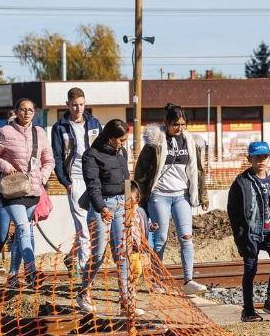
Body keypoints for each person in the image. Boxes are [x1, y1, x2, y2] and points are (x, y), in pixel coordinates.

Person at [134, 103, 209, 295]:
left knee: (187, 237)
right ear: (166, 123)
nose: (180, 128)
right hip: (159, 196)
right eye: (176, 124)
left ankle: (189, 280)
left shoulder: (191, 142)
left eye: (183, 124)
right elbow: (141, 171)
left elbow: (198, 171)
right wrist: (137, 199)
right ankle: (156, 280)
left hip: (181, 195)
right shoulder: (155, 143)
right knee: (161, 239)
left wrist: (202, 195)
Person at [0, 98, 54, 286]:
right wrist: (6, 166)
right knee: (23, 228)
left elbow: (49, 160)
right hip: (12, 191)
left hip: (33, 191)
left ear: (34, 113)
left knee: (21, 234)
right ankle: (31, 271)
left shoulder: (39, 133)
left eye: (30, 110)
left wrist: (43, 177)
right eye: (23, 110)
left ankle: (13, 275)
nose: (27, 113)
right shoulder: (5, 132)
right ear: (16, 111)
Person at [77, 119, 143, 316]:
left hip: (122, 205)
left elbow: (126, 179)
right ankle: (83, 292)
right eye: (121, 140)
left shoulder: (121, 153)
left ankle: (126, 303)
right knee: (97, 253)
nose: (124, 143)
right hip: (102, 207)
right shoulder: (92, 155)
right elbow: (93, 184)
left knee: (122, 254)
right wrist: (101, 207)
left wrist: (129, 205)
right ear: (111, 138)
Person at [227, 141, 270, 322]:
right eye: (257, 157)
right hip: (251, 233)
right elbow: (233, 210)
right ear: (249, 159)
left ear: (269, 158)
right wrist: (240, 234)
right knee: (250, 268)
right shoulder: (241, 182)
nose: (261, 160)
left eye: (264, 156)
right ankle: (248, 309)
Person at [51, 87, 102, 274]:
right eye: (74, 105)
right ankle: (84, 267)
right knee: (82, 225)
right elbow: (57, 156)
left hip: (94, 178)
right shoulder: (60, 127)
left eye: (81, 104)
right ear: (67, 105)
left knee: (95, 224)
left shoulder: (95, 123)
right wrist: (67, 182)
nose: (78, 109)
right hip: (76, 179)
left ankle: (77, 257)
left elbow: (103, 151)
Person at [0, 110, 21, 282]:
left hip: (24, 193)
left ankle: (14, 274)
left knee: (23, 233)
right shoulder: (0, 141)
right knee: (1, 234)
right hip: (4, 194)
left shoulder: (30, 141)